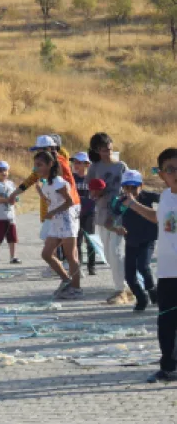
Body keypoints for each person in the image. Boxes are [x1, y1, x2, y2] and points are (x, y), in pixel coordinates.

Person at [9, 135, 80, 271]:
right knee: (49, 248)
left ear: (49, 149)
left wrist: (53, 210)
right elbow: (31, 179)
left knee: (69, 249)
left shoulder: (59, 163)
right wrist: (14, 193)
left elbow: (67, 193)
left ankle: (73, 279)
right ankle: (63, 274)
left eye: (40, 150)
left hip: (67, 207)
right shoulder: (44, 165)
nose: (38, 153)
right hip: (56, 207)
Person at [141, 148, 177, 383]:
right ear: (162, 174)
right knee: (166, 321)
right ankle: (168, 367)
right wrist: (133, 205)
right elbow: (159, 219)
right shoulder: (165, 196)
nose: (176, 173)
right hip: (166, 271)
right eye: (171, 169)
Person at [87, 132, 133, 304]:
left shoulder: (121, 166)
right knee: (107, 253)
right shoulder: (95, 167)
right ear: (97, 150)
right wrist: (97, 192)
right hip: (102, 214)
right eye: (104, 149)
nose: (108, 152)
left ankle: (120, 289)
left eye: (110, 149)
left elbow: (131, 186)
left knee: (116, 251)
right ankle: (128, 287)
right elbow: (90, 190)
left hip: (119, 213)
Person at [34, 150, 83, 299]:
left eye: (40, 165)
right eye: (35, 165)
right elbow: (51, 200)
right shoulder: (46, 183)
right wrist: (40, 193)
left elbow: (69, 202)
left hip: (67, 219)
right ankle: (66, 280)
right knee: (46, 254)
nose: (36, 168)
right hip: (56, 221)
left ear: (50, 164)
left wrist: (53, 211)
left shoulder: (59, 182)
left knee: (71, 256)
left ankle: (76, 288)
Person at [110, 170, 161, 312]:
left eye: (134, 187)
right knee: (129, 275)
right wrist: (116, 226)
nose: (131, 191)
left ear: (141, 186)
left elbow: (165, 199)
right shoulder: (121, 201)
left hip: (147, 239)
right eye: (127, 187)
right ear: (123, 188)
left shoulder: (148, 196)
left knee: (143, 267)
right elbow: (114, 215)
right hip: (131, 240)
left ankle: (152, 291)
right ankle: (141, 298)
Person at [0, 161, 20, 265]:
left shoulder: (11, 184)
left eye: (5, 170)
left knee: (12, 238)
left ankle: (13, 257)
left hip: (10, 216)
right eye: (0, 171)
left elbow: (15, 196)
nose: (3, 173)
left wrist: (15, 199)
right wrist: (7, 200)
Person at [72, 152, 98, 275]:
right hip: (76, 213)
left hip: (90, 212)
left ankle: (91, 266)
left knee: (90, 240)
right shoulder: (71, 177)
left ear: (86, 164)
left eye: (78, 162)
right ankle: (78, 266)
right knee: (77, 241)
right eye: (74, 162)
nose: (75, 165)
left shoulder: (92, 178)